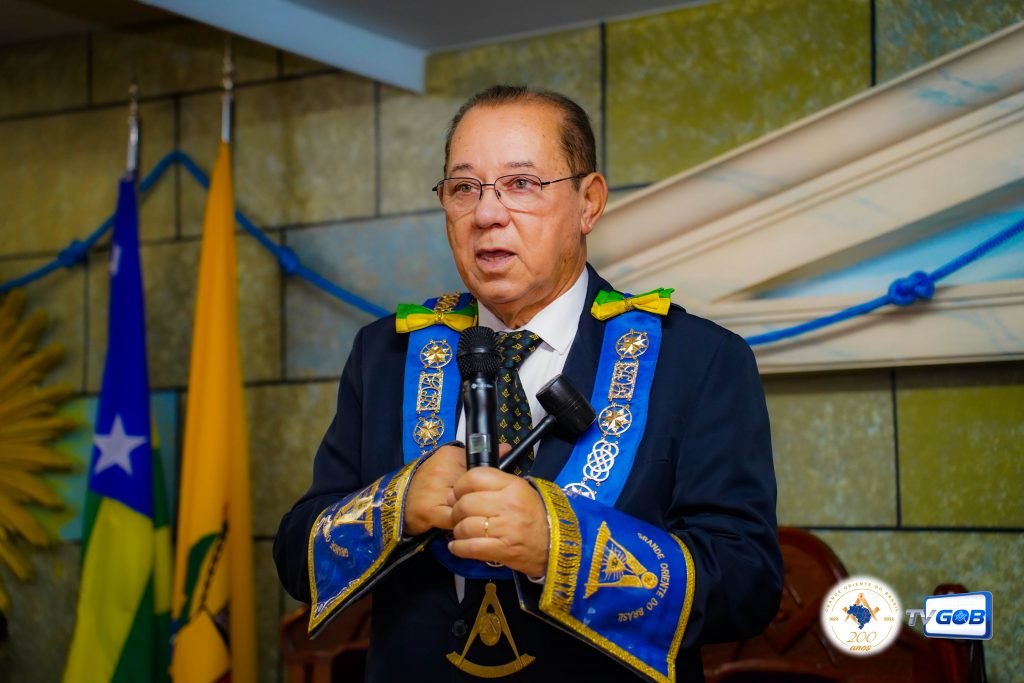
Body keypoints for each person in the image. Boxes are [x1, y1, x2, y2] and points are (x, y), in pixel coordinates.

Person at [274, 85, 782, 682]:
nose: (486, 215)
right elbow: (295, 559)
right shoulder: (386, 353)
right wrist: (397, 505)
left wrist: (560, 547)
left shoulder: (697, 358)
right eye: (464, 188)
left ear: (589, 203)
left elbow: (747, 584)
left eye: (521, 184)